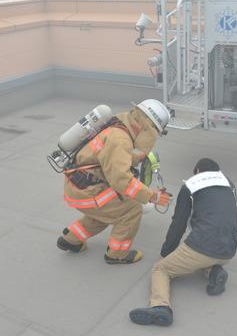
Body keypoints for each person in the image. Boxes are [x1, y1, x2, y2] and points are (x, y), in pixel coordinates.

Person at [57, 99, 173, 264]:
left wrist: (135, 158)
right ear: (149, 127)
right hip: (88, 192)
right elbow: (121, 181)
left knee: (107, 213)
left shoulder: (118, 125)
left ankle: (71, 240)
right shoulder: (121, 139)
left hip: (77, 186)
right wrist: (152, 196)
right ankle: (117, 255)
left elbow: (108, 155)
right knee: (130, 211)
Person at [129, 158, 237, 326]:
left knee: (161, 270)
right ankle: (214, 271)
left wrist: (167, 251)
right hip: (229, 248)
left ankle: (160, 307)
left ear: (196, 171)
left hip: (202, 246)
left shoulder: (191, 185)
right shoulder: (229, 184)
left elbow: (179, 223)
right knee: (205, 256)